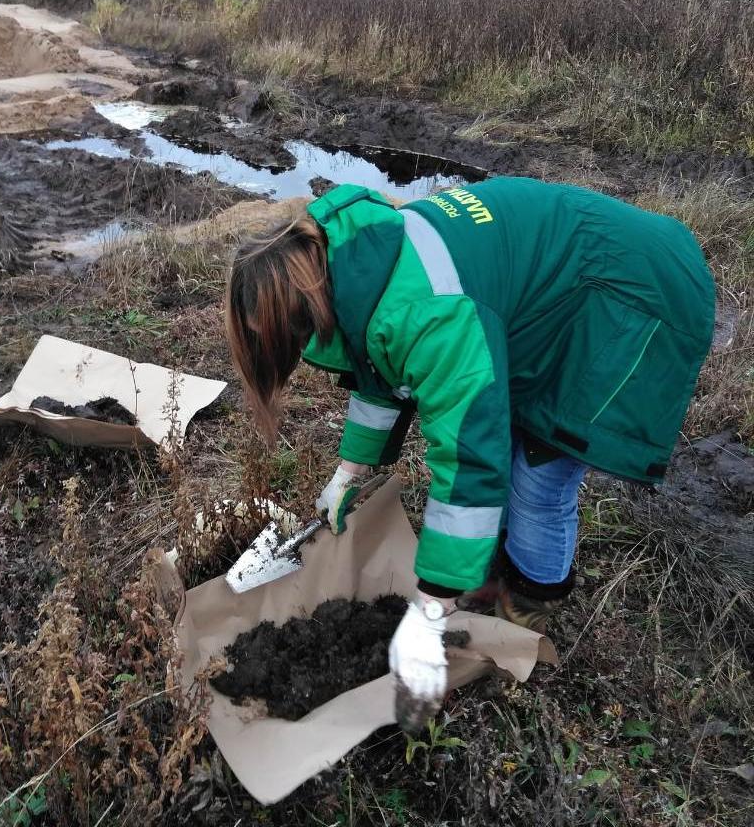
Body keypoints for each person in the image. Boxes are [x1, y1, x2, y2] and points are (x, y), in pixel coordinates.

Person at [225, 178, 714, 732]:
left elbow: (468, 462)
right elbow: (378, 374)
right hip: (552, 284)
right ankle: (487, 571)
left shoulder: (427, 314)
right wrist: (347, 472)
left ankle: (528, 612)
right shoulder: (355, 266)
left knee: (537, 476)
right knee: (504, 437)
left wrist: (432, 608)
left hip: (629, 289)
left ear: (305, 298)